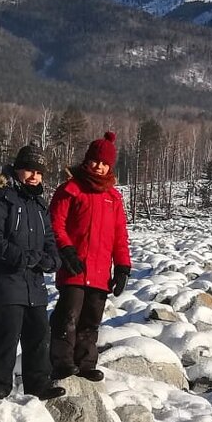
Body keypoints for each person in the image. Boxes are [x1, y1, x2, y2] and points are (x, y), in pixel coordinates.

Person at [0, 143, 66, 401]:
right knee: (7, 335)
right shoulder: (1, 197)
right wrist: (19, 257)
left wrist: (52, 261)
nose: (34, 176)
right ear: (17, 170)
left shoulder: (39, 205)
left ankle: (38, 385)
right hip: (6, 281)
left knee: (39, 334)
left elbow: (50, 239)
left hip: (34, 284)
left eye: (39, 172)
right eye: (29, 170)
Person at [48, 131, 132, 381]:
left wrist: (123, 267)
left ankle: (86, 363)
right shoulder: (70, 190)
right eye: (96, 161)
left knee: (91, 321)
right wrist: (66, 249)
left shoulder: (113, 198)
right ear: (87, 161)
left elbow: (119, 235)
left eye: (104, 163)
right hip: (74, 268)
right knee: (68, 317)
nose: (99, 166)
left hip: (99, 273)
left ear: (110, 166)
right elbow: (55, 224)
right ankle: (62, 362)